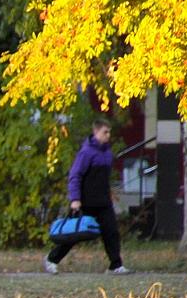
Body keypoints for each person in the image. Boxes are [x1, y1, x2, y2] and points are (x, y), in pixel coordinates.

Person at [44, 117, 130, 275]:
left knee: (111, 232)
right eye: (105, 132)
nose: (108, 135)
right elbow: (75, 176)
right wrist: (75, 199)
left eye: (109, 132)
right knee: (74, 234)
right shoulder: (86, 152)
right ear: (96, 132)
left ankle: (115, 265)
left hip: (103, 202)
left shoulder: (107, 153)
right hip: (86, 202)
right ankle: (51, 259)